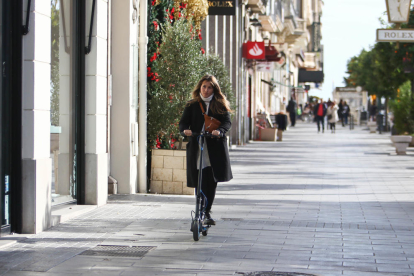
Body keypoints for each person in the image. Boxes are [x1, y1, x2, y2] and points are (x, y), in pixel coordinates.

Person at [179, 74, 233, 226]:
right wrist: (185, 131)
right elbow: (183, 123)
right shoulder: (192, 105)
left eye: (209, 87)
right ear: (199, 87)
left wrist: (220, 131)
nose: (206, 90)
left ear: (214, 89)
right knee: (199, 179)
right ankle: (199, 209)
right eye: (204, 87)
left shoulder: (219, 104)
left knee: (211, 179)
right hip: (197, 145)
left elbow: (227, 122)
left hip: (214, 148)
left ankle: (207, 211)